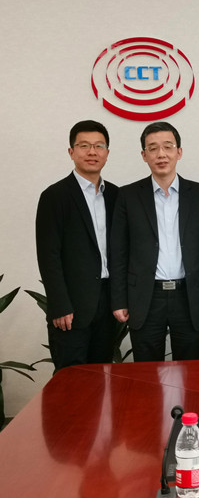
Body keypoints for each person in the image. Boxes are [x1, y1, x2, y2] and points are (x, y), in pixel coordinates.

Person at [110, 121, 199, 361]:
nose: (161, 154)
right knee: (147, 371)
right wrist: (119, 300)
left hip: (188, 296)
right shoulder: (128, 196)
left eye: (168, 147)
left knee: (189, 368)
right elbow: (118, 252)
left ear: (179, 152)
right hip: (146, 297)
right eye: (153, 148)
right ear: (144, 155)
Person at [36, 120, 119, 371]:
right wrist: (59, 305)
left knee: (102, 375)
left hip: (108, 304)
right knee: (71, 379)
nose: (92, 152)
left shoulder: (115, 195)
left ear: (107, 153)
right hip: (71, 307)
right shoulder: (55, 196)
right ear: (71, 152)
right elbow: (48, 256)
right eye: (84, 146)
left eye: (99, 146)